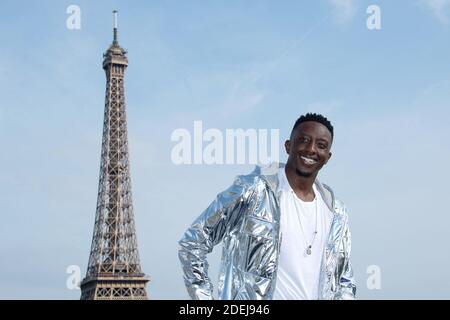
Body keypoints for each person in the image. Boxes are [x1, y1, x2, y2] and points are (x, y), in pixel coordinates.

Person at [178, 113, 356, 300]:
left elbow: (344, 278)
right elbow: (193, 241)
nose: (311, 149)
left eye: (321, 145)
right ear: (288, 146)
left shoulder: (335, 211)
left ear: (328, 157)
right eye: (304, 140)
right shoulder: (253, 190)